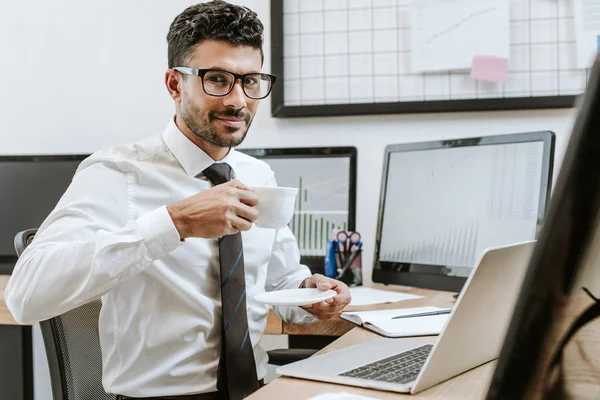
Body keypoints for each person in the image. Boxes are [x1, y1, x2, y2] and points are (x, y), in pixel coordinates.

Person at [5, 1, 351, 399]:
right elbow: (25, 297)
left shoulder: (258, 175)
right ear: (174, 84)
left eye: (250, 81)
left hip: (255, 390)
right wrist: (174, 223)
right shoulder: (118, 173)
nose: (238, 100)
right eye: (217, 79)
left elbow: (279, 282)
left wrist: (311, 290)